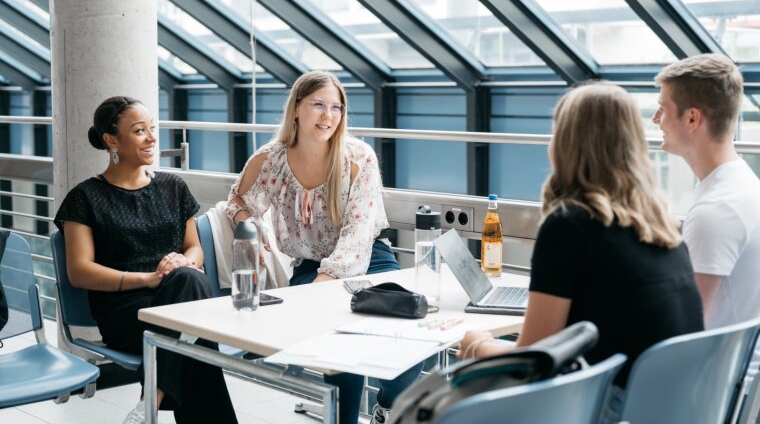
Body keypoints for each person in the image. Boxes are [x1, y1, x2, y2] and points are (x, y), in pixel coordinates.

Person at [458, 83, 704, 391]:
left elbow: (532, 359)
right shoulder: (661, 226)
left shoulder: (569, 226)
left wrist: (476, 346)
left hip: (611, 407)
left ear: (565, 144)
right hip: (670, 407)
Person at [226, 71, 421, 424]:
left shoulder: (358, 158)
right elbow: (239, 198)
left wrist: (324, 287)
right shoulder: (271, 159)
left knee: (414, 325)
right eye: (318, 105)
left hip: (371, 260)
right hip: (309, 266)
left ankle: (388, 405)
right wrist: (249, 224)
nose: (328, 116)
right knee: (340, 341)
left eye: (336, 107)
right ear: (296, 109)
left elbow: (359, 235)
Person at [54, 96, 237, 424]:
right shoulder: (84, 198)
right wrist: (147, 279)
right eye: (140, 131)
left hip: (179, 302)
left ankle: (150, 401)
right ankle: (150, 398)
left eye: (153, 128)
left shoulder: (173, 187)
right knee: (194, 331)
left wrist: (181, 262)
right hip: (126, 310)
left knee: (188, 282)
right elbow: (79, 271)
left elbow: (194, 249)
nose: (152, 137)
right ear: (111, 140)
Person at [653, 54, 760, 331]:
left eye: (662, 109)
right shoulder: (742, 184)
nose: (656, 119)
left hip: (717, 372)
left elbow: (683, 328)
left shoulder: (716, 210)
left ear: (691, 118)